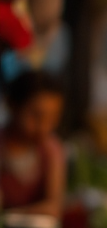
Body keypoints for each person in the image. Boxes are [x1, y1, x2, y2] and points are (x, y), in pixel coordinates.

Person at [0, 71, 65, 219]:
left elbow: (54, 207)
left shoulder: (51, 150)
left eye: (52, 118)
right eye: (36, 116)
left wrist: (9, 216)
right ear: (13, 105)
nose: (44, 127)